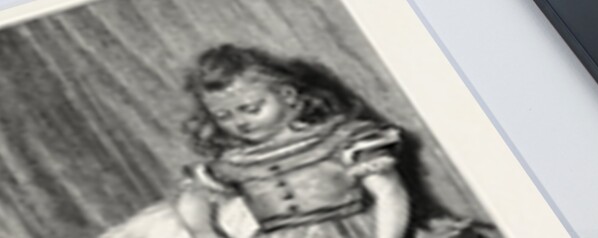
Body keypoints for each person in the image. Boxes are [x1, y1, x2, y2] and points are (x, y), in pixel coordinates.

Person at [102, 45, 497, 238]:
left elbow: (389, 193)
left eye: (250, 108)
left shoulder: (341, 138)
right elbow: (193, 198)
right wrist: (206, 233)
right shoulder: (236, 162)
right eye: (224, 116)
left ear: (289, 97)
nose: (239, 122)